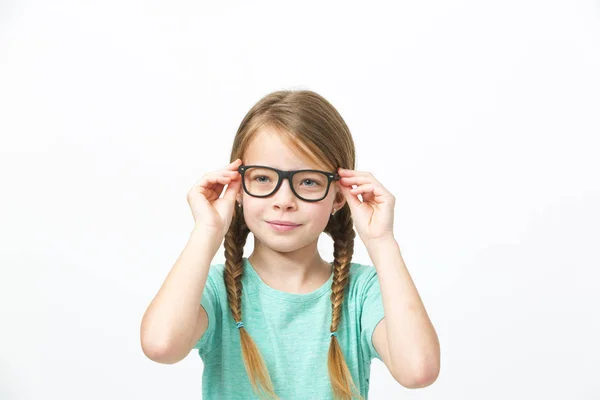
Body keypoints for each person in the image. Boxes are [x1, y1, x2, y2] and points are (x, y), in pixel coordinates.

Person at [140, 90, 440, 399]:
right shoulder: (218, 290)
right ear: (238, 186)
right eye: (263, 179)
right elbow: (161, 345)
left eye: (308, 181)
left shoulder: (362, 293)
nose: (284, 201)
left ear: (339, 196)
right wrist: (206, 230)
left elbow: (418, 370)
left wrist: (382, 242)